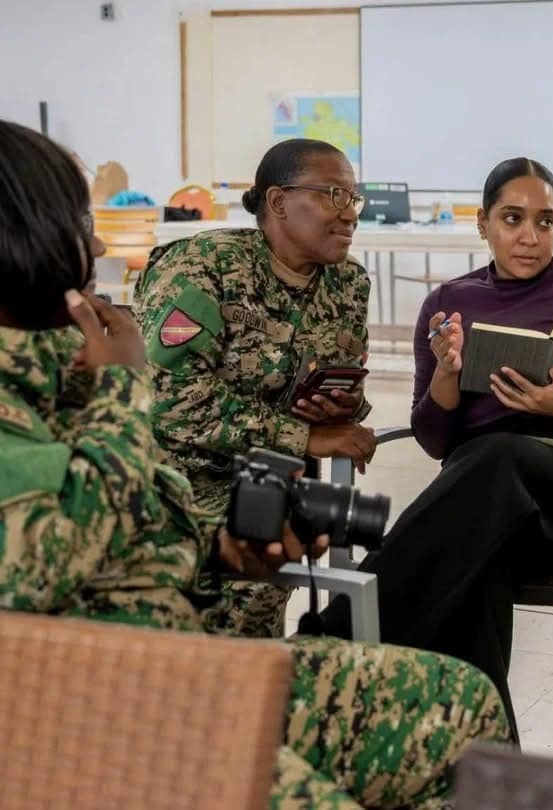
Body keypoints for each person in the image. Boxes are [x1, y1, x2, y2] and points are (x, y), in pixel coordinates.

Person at [0, 120, 509, 809]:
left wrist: (216, 551)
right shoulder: (196, 275)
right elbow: (51, 556)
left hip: (178, 632)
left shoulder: (59, 356)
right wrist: (126, 388)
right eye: (78, 224)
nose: (95, 246)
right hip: (105, 701)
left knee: (463, 704)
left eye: (352, 197)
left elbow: (133, 521)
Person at [321, 157, 553, 737]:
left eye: (545, 221)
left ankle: (336, 634)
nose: (530, 236)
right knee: (473, 562)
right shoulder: (448, 305)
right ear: (482, 223)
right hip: (489, 504)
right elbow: (434, 440)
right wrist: (446, 377)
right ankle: (489, 754)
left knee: (495, 458)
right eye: (512, 219)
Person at [134, 139, 377, 636]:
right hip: (179, 478)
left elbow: (341, 378)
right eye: (333, 194)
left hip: (271, 476)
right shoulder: (205, 267)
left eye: (353, 198)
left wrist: (344, 406)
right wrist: (301, 437)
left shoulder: (348, 283)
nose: (349, 213)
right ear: (279, 201)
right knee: (259, 546)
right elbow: (170, 401)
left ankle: (249, 672)